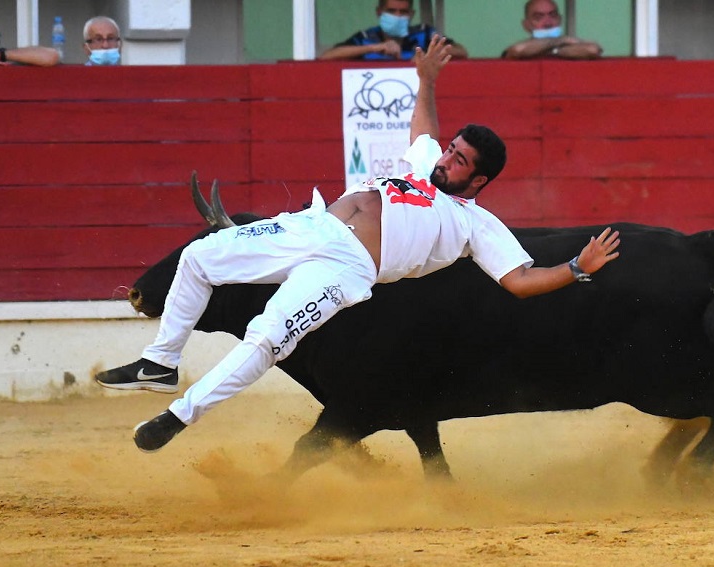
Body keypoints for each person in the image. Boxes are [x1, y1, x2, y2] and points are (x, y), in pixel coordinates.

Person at [96, 34, 620, 452]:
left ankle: (177, 417)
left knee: (265, 338)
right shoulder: (422, 167)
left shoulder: (476, 224)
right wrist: (426, 79)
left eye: (459, 162)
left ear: (480, 181)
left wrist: (577, 266)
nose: (445, 160)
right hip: (313, 225)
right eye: (451, 151)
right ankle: (160, 362)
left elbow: (520, 281)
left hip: (348, 268)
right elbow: (423, 129)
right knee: (200, 254)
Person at [319, 0, 467, 61]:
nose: (397, 16)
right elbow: (327, 57)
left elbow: (461, 52)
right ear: (379, 12)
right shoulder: (366, 37)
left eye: (403, 12)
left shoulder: (424, 34)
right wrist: (374, 48)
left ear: (411, 14)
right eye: (391, 11)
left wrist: (427, 56)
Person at [502, 0, 603, 60]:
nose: (548, 23)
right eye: (539, 17)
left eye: (552, 15)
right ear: (526, 25)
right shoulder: (523, 47)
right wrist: (560, 41)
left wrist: (554, 51)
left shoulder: (570, 44)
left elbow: (592, 50)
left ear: (560, 19)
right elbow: (518, 50)